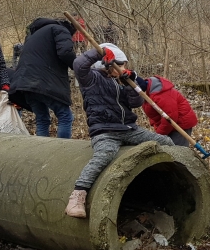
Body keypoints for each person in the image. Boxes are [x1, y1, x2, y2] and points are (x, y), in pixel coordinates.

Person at [65, 43, 175, 219]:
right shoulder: (91, 78)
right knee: (105, 154)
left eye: (124, 65)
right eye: (120, 64)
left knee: (166, 142)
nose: (123, 68)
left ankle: (172, 184)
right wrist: (99, 53)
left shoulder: (120, 81)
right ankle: (78, 195)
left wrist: (131, 84)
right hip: (104, 130)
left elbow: (135, 103)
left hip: (129, 129)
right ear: (108, 63)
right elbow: (78, 65)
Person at [9, 18, 77, 138]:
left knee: (42, 119)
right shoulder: (61, 30)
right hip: (44, 81)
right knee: (65, 116)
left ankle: (42, 148)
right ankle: (62, 147)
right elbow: (65, 53)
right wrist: (79, 67)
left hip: (25, 84)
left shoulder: (34, 34)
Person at [134, 74, 198, 147]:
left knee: (177, 150)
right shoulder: (147, 94)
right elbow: (154, 114)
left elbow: (170, 117)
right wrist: (156, 126)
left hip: (180, 125)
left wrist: (159, 134)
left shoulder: (160, 94)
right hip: (169, 125)